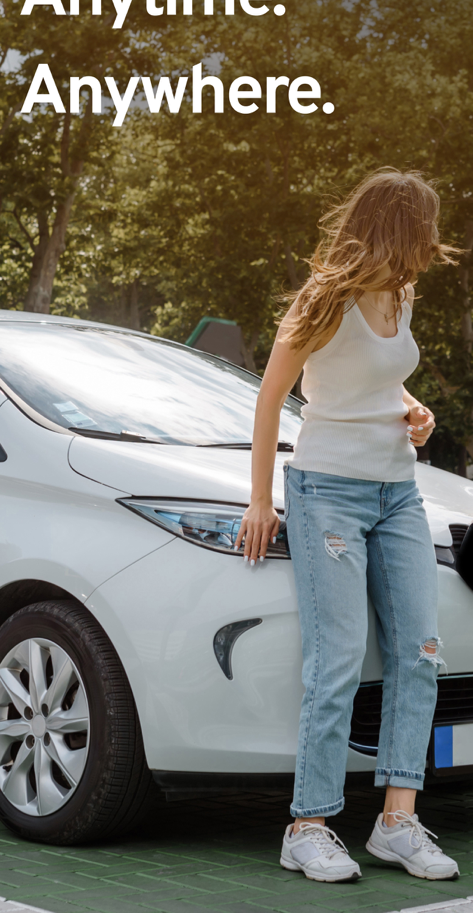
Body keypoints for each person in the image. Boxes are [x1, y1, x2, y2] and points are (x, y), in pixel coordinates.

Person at [235, 168, 464, 884]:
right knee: (336, 659)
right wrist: (261, 499)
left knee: (418, 653)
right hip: (326, 490)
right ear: (401, 226)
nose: (432, 241)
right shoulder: (323, 298)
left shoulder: (399, 293)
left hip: (398, 491)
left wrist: (412, 408)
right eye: (424, 225)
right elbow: (273, 398)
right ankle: (306, 826)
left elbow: (373, 378)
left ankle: (395, 820)